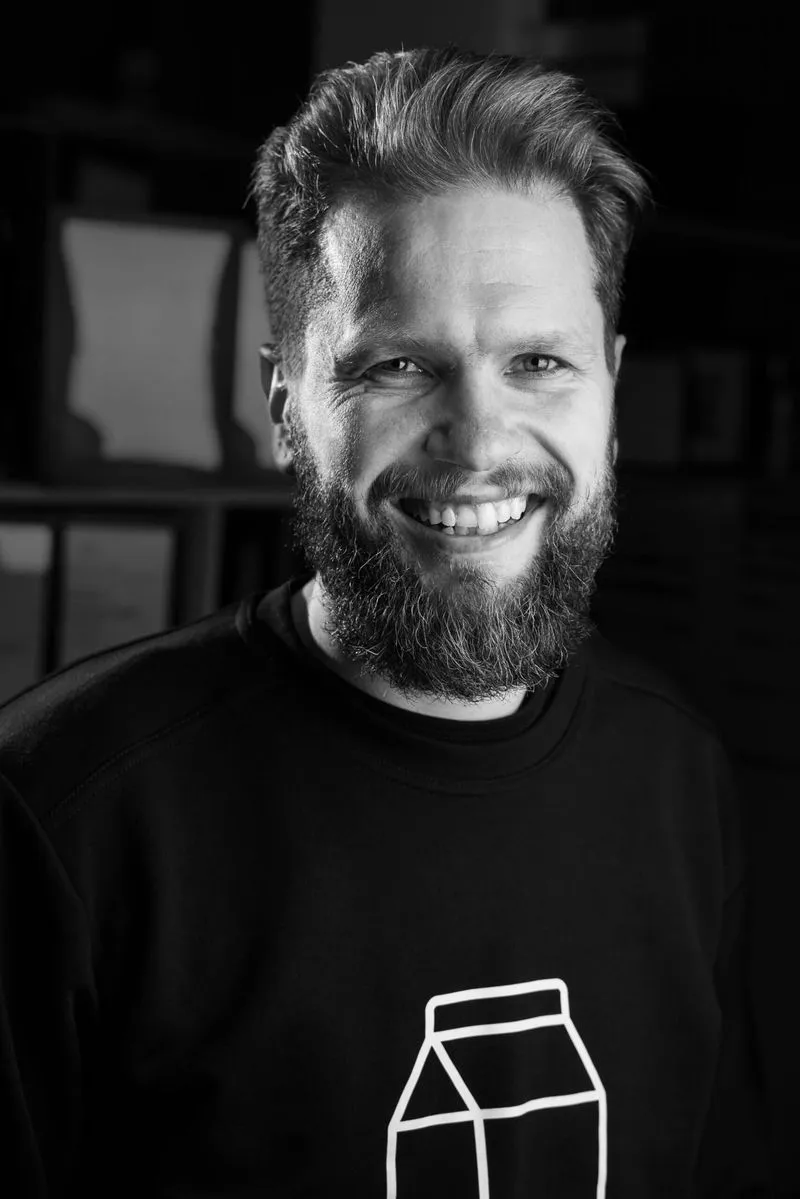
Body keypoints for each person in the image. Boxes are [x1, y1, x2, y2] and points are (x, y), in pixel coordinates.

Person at [0, 46, 771, 1198]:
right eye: (402, 365)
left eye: (538, 362)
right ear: (286, 406)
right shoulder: (63, 818)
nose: (478, 439)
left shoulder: (679, 778)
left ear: (608, 391)